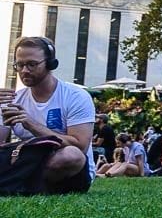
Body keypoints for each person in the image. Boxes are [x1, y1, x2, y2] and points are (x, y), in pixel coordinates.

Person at [0, 36, 95, 193]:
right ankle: (21, 186)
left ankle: (13, 185)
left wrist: (31, 124)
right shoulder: (13, 99)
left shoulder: (76, 96)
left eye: (32, 64)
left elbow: (80, 146)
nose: (24, 70)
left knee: (72, 155)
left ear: (51, 64)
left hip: (64, 169)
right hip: (26, 163)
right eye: (20, 65)